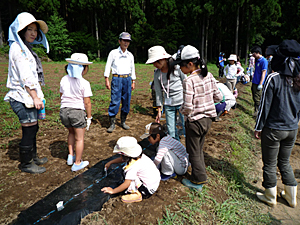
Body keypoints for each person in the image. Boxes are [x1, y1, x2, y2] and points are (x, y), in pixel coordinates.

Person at [254, 39, 300, 208]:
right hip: (292, 129)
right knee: (285, 162)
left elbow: (264, 107)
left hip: (273, 129)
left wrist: (258, 127)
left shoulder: (274, 78)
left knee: (270, 163)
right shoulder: (299, 79)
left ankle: (270, 196)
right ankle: (291, 197)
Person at [172, 45, 223, 191]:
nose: (180, 69)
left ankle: (198, 181)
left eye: (181, 65)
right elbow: (218, 96)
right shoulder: (209, 75)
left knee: (193, 151)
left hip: (195, 122)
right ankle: (199, 172)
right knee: (199, 149)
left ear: (189, 64)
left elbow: (188, 107)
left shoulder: (189, 81)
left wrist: (181, 111)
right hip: (208, 120)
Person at [4, 12, 50, 174]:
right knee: (29, 129)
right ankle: (26, 163)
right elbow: (25, 76)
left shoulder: (26, 48)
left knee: (34, 127)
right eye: (29, 29)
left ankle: (34, 156)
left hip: (28, 96)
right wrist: (35, 96)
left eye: (35, 30)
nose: (33, 33)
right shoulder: (17, 49)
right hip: (22, 97)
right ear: (21, 31)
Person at [101, 136, 161, 203]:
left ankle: (138, 194)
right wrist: (110, 162)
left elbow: (126, 183)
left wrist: (113, 191)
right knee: (126, 171)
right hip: (154, 182)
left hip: (147, 189)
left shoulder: (132, 167)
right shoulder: (138, 157)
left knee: (124, 195)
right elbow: (123, 159)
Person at [60, 53, 93, 171]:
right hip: (77, 112)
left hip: (64, 111)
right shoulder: (84, 83)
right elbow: (87, 102)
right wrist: (89, 117)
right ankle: (77, 163)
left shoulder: (64, 79)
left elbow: (61, 95)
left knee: (71, 133)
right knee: (79, 138)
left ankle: (70, 156)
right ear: (83, 69)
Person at [146, 46, 186, 140]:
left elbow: (186, 82)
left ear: (164, 58)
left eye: (157, 61)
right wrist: (159, 110)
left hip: (182, 103)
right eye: (153, 62)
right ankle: (175, 148)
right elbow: (158, 92)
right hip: (168, 105)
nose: (155, 64)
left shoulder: (177, 68)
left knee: (186, 126)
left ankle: (190, 150)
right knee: (171, 130)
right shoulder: (157, 74)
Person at [104, 32, 136, 133]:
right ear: (119, 41)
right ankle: (112, 123)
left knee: (126, 101)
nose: (126, 43)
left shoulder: (130, 55)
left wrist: (133, 81)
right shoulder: (113, 53)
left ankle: (123, 121)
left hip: (127, 79)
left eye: (128, 41)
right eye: (124, 41)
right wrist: (106, 79)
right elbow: (108, 65)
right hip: (116, 79)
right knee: (115, 100)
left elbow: (132, 68)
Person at [250, 46, 268, 117]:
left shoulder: (264, 61)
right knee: (254, 97)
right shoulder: (257, 60)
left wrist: (260, 83)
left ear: (258, 53)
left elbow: (264, 72)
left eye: (254, 53)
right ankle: (256, 111)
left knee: (258, 98)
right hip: (254, 81)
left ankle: (259, 113)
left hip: (258, 83)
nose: (253, 55)